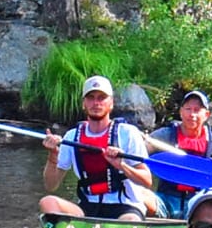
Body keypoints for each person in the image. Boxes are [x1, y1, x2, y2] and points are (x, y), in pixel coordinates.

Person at [40, 76, 156, 220]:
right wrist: (53, 156)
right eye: (91, 98)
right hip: (88, 206)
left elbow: (147, 181)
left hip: (124, 206)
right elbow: (51, 185)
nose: (96, 103)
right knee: (48, 202)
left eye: (101, 98)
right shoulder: (71, 137)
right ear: (84, 103)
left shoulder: (127, 133)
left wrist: (122, 166)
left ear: (111, 103)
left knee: (130, 220)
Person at [149, 88, 212, 219]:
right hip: (166, 200)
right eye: (188, 109)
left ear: (206, 115)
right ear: (181, 112)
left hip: (198, 203)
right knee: (140, 195)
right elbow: (140, 149)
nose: (192, 114)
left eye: (197, 110)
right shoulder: (164, 136)